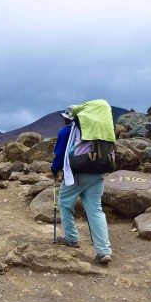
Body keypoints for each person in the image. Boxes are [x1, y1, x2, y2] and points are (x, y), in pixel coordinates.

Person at [51, 105, 113, 264]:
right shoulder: (97, 131)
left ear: (70, 118)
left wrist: (54, 169)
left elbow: (59, 154)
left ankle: (71, 238)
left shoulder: (66, 131)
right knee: (96, 211)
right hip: (96, 174)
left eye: (65, 116)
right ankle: (103, 251)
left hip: (76, 175)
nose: (64, 119)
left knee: (65, 204)